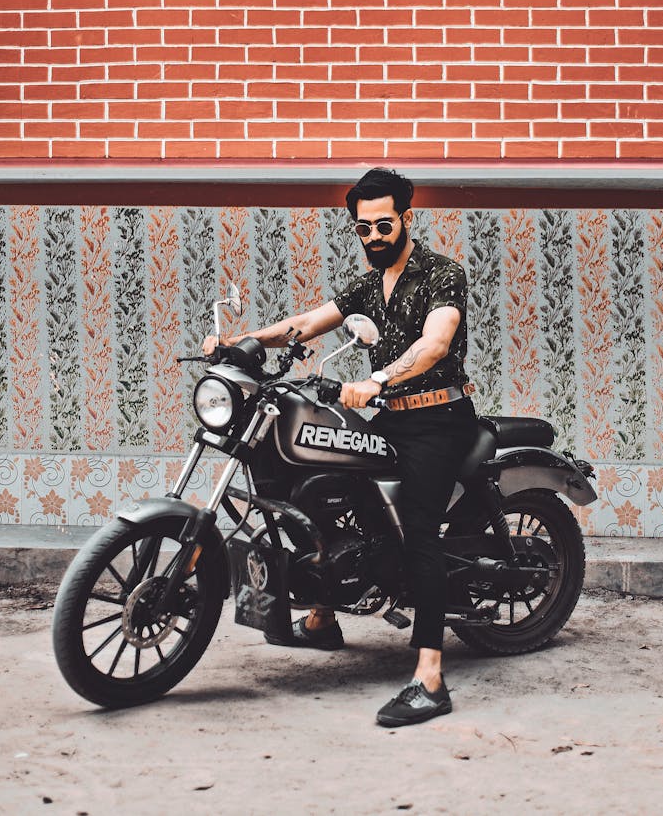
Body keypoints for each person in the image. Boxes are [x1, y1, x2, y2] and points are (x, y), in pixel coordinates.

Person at [204, 167, 478, 727]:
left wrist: (377, 381)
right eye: (363, 229)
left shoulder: (442, 274)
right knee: (319, 486)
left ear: (405, 217)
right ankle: (321, 617)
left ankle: (429, 677)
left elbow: (435, 342)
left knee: (422, 530)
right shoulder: (366, 285)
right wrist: (241, 343)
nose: (375, 237)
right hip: (388, 420)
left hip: (439, 419)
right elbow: (306, 323)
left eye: (383, 225)